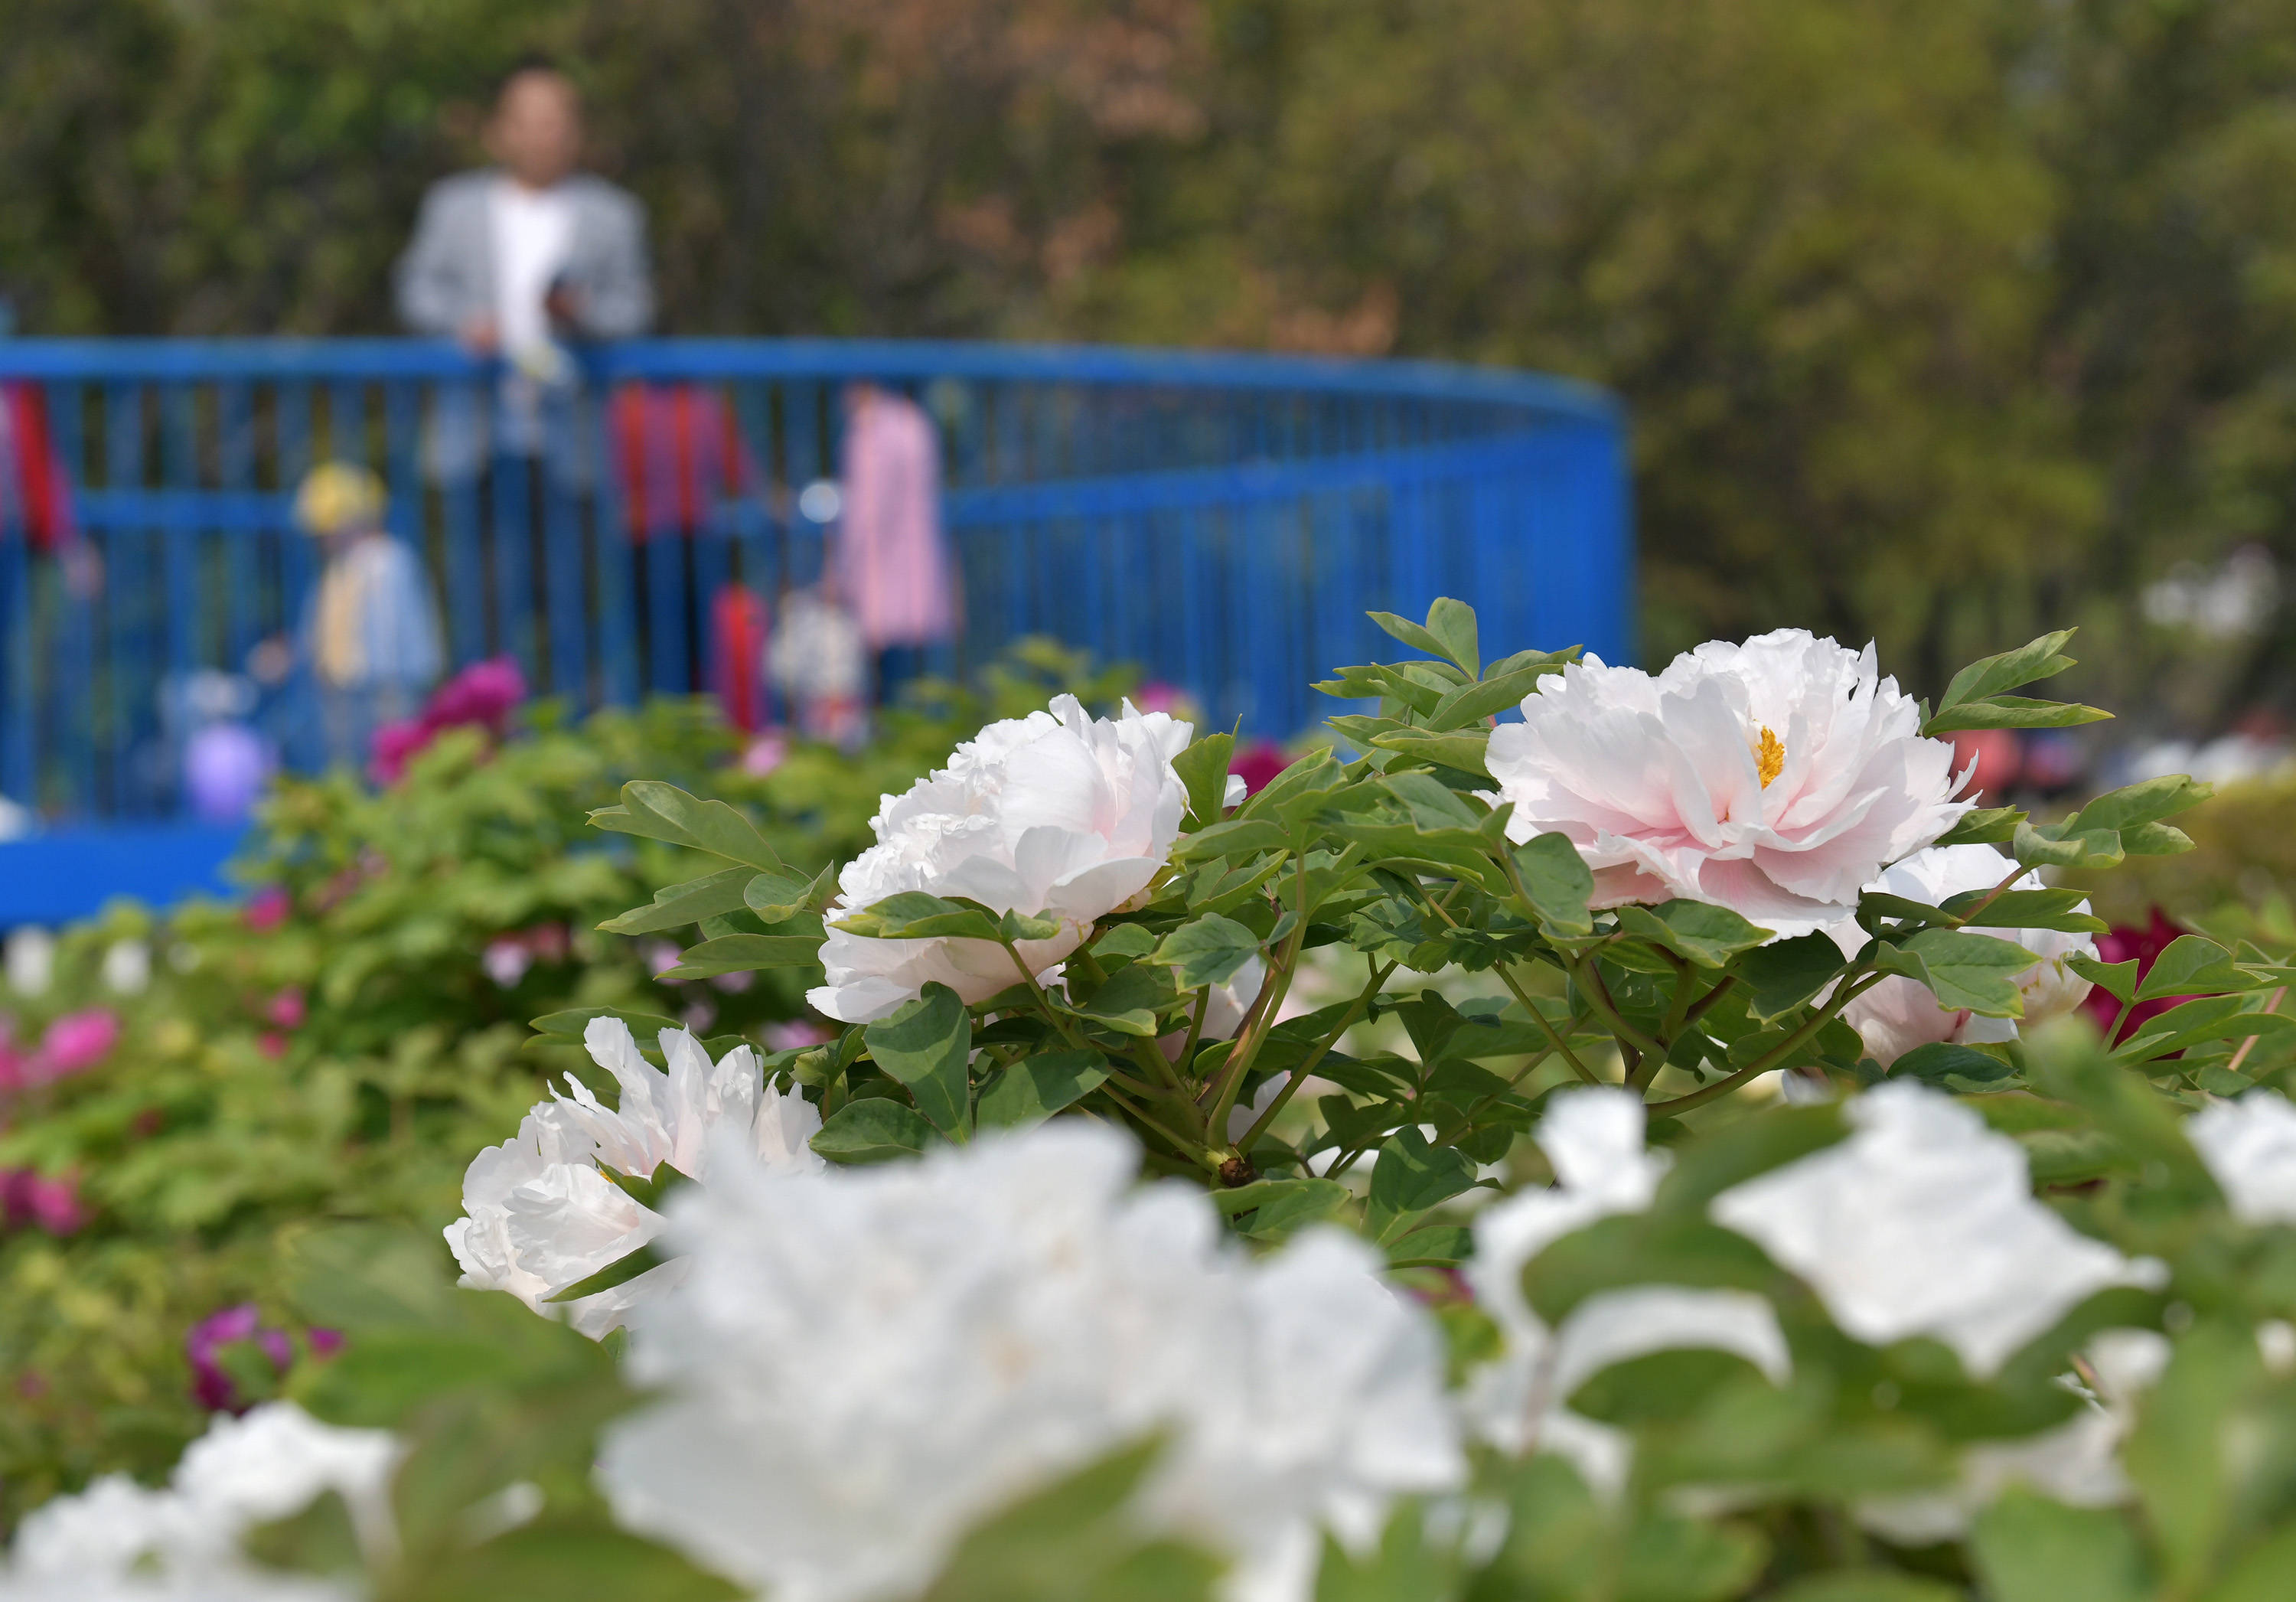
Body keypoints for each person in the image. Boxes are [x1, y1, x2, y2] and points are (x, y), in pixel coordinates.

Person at [393, 60, 653, 471]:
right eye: (526, 123)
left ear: (576, 132)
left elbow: (635, 309)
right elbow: (415, 290)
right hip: (471, 434)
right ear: (499, 131)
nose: (539, 138)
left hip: (574, 440)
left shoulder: (614, 214)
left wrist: (581, 312)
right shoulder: (451, 206)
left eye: (552, 123)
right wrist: (465, 324)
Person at [293, 464, 444, 772]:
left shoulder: (388, 561)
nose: (323, 540)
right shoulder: (339, 568)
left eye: (327, 530)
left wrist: (391, 686)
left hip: (387, 689)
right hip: (346, 692)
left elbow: (392, 628)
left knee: (391, 769)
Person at [832, 380, 958, 703]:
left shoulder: (870, 432)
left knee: (885, 689)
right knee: (918, 683)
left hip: (880, 577)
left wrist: (838, 571)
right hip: (917, 572)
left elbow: (865, 512)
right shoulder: (914, 422)